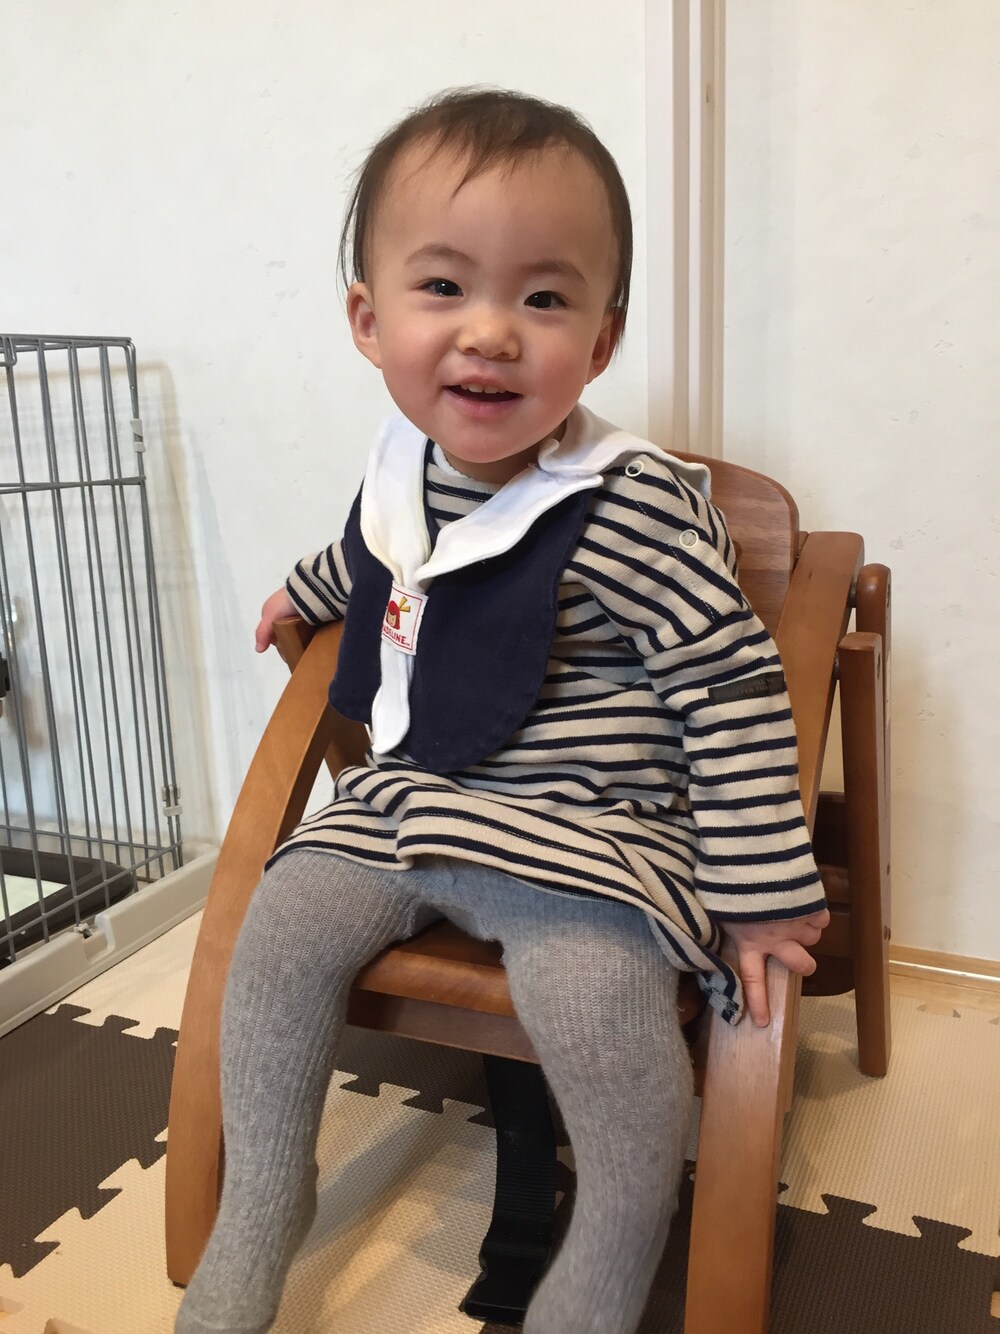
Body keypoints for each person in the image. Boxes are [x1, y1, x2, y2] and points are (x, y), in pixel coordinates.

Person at [175, 86, 829, 1334]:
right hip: (412, 798)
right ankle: (262, 1202)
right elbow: (385, 554)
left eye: (542, 298)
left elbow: (731, 680)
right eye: (442, 287)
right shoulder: (400, 465)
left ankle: (595, 1282)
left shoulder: (631, 504)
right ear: (368, 320)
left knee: (603, 1018)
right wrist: (307, 589)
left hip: (588, 832)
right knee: (277, 933)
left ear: (601, 337)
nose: (489, 333)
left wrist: (758, 883)